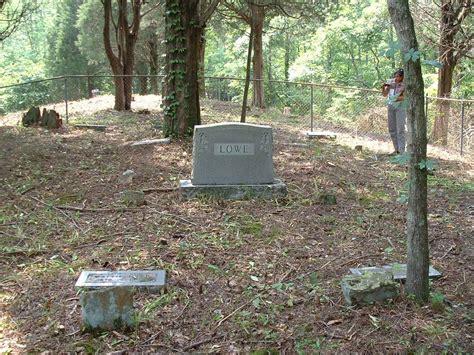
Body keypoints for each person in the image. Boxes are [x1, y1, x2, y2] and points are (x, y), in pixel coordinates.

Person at [382, 68, 406, 155]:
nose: (397, 78)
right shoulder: (391, 82)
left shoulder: (405, 84)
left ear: (403, 77)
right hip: (391, 105)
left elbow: (405, 97)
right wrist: (384, 88)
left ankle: (402, 151)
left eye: (399, 76)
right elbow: (385, 94)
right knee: (392, 128)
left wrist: (395, 98)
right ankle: (396, 149)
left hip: (400, 106)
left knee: (400, 129)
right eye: (396, 75)